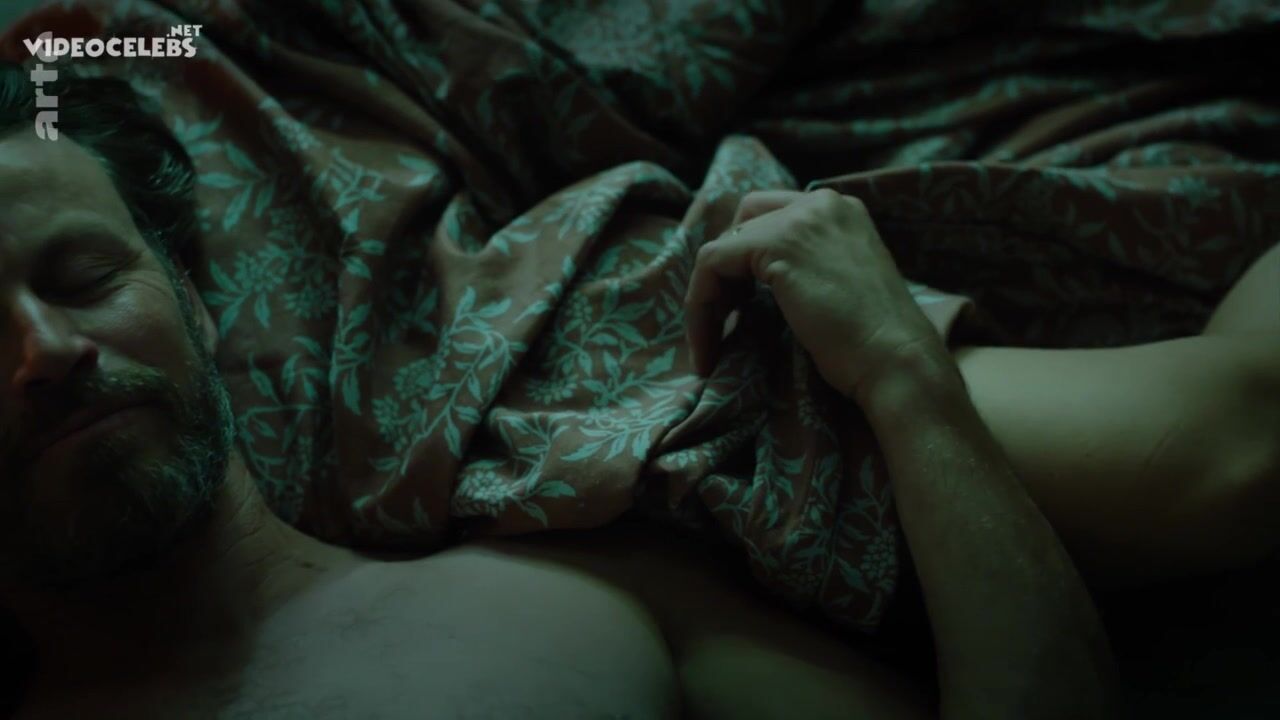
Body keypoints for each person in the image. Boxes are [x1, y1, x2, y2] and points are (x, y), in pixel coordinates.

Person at [1, 66, 1276, 719]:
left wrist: (901, 369)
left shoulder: (569, 604)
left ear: (197, 298)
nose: (45, 347)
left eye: (84, 275)